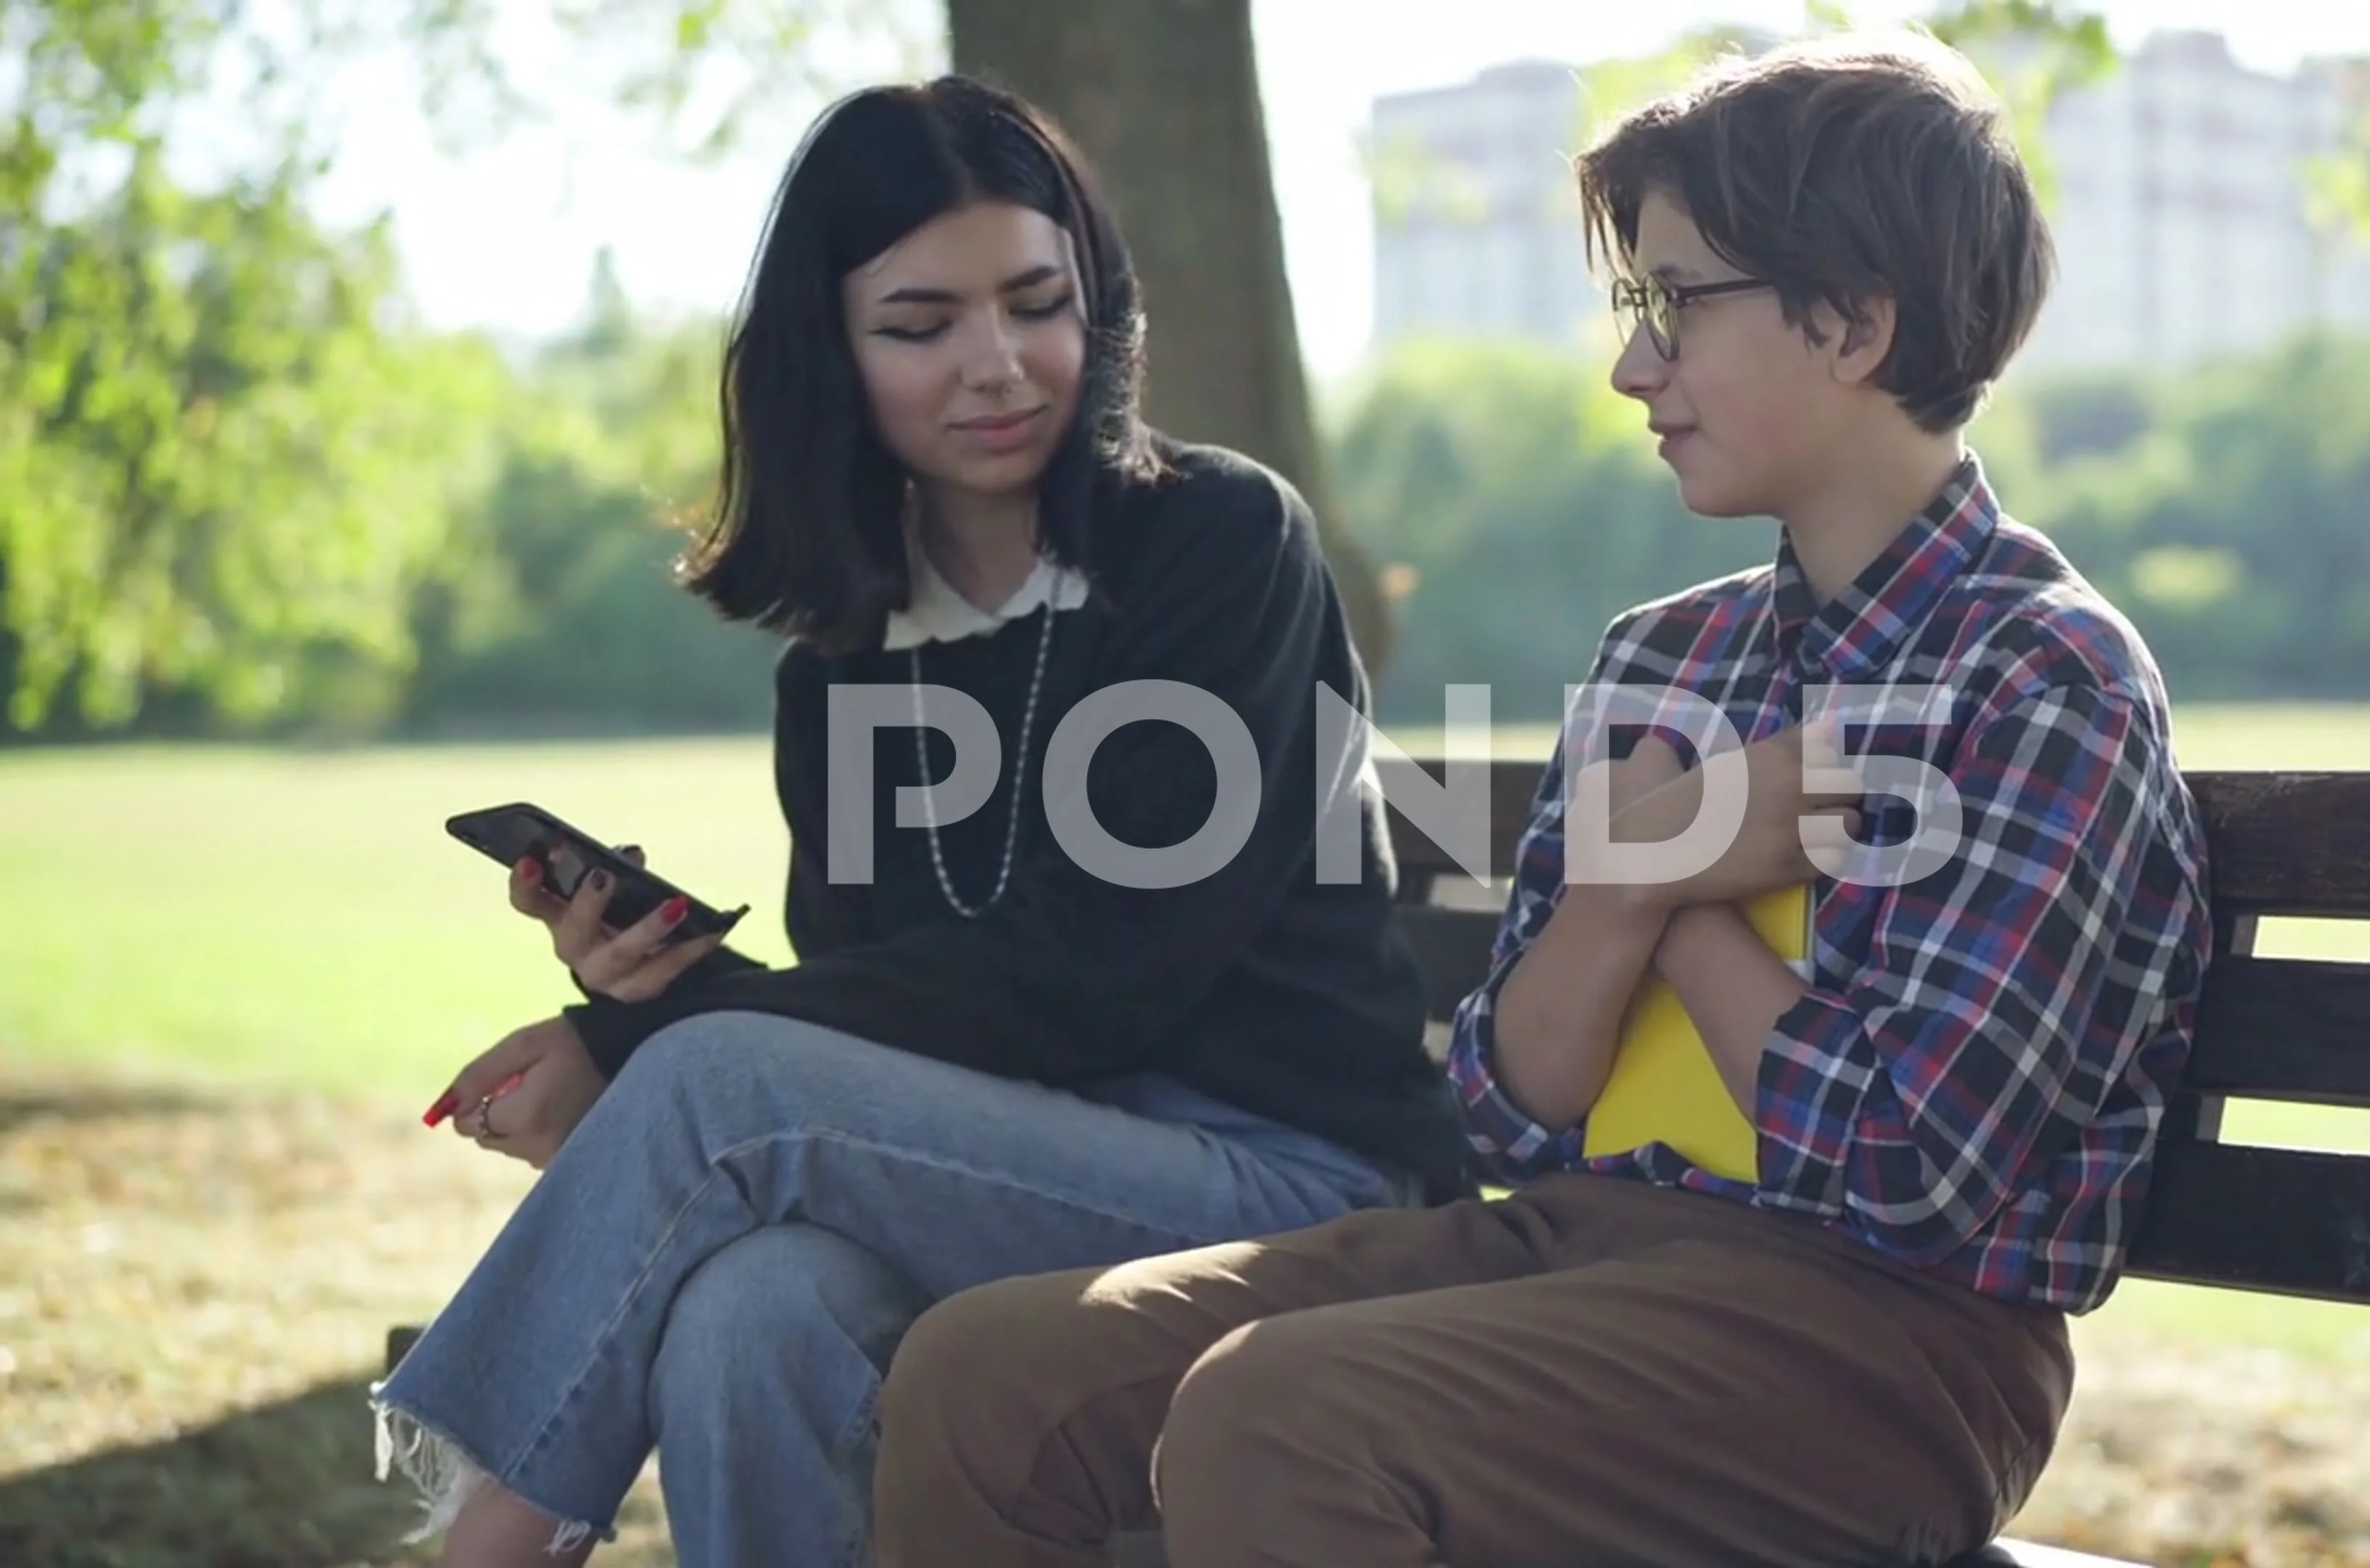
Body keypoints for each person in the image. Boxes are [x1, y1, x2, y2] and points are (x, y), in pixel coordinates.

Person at [865, 27, 2217, 1568]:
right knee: (985, 1376)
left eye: (1675, 305)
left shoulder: (2038, 684)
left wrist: (1673, 885)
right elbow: (1512, 1101)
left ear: (1851, 322)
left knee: (1283, 1413)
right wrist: (1643, 878)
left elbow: (1913, 1175)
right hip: (1573, 1252)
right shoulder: (1668, 658)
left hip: (1888, 1350)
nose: (1635, 364)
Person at [368, 75, 1474, 1568]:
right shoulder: (846, 652)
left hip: (1300, 1187)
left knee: (713, 1086)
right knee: (750, 1310)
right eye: (920, 324)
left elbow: (1102, 972)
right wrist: (671, 983)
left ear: (1101, 307)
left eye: (1038, 303)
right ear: (830, 351)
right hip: (1034, 1188)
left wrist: (646, 1050)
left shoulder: (1220, 544)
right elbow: (885, 1036)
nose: (999, 366)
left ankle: (482, 1549)